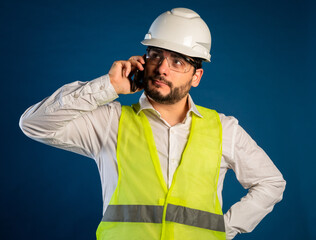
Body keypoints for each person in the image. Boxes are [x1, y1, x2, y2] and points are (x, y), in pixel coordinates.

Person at [19, 8, 286, 240]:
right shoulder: (111, 122)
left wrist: (222, 229)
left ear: (196, 77)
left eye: (178, 61)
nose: (162, 69)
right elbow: (34, 124)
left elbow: (271, 183)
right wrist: (108, 86)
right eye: (156, 55)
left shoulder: (224, 129)